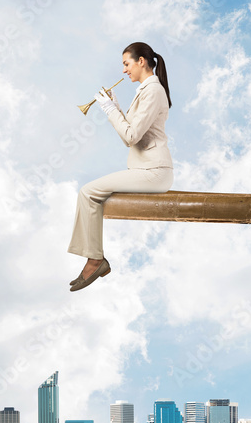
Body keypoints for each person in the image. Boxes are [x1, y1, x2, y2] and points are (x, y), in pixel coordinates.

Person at [67, 42, 173, 292]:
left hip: (154, 171)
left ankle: (95, 260)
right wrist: (115, 108)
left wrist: (109, 110)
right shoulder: (145, 90)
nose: (124, 70)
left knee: (88, 191)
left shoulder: (152, 91)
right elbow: (133, 132)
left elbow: (130, 137)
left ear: (141, 62)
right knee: (91, 192)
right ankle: (94, 258)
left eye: (127, 64)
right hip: (144, 169)